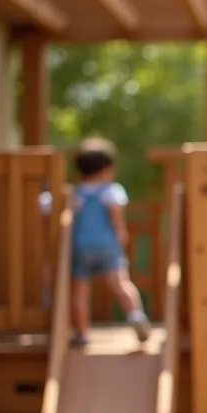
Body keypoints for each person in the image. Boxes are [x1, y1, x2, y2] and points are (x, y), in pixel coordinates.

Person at [67, 138, 151, 347]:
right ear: (106, 170)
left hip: (80, 245)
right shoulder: (110, 190)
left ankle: (81, 333)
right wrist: (121, 236)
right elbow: (116, 215)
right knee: (120, 283)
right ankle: (135, 315)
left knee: (80, 291)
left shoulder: (75, 193)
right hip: (107, 244)